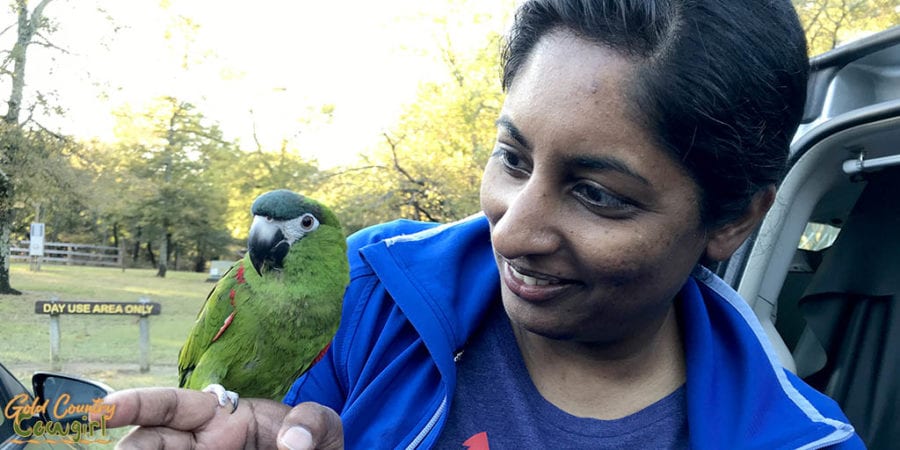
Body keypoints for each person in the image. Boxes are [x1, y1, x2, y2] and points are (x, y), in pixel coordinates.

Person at [101, 0, 865, 448]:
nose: (510, 230)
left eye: (599, 194)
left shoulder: (803, 442)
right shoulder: (372, 293)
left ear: (732, 220)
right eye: (512, 157)